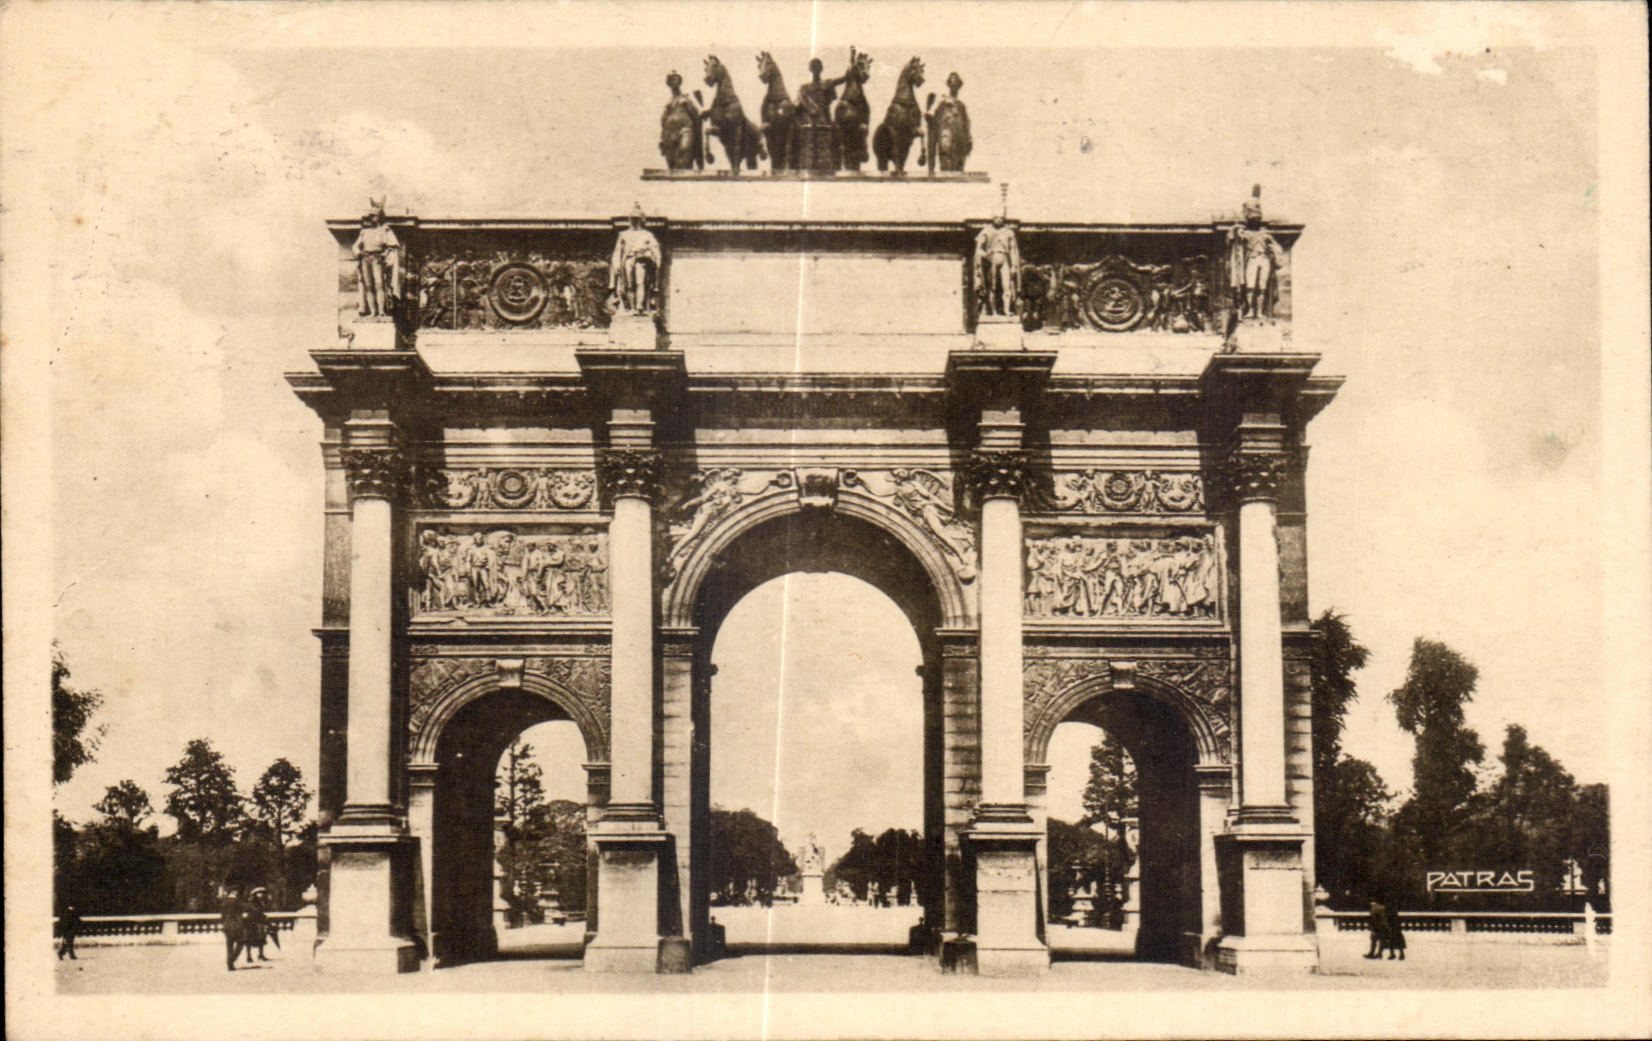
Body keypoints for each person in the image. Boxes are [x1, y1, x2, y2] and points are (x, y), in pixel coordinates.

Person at [609, 205, 663, 314]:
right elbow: (617, 251)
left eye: (637, 219)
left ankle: (639, 307)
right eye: (633, 219)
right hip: (628, 259)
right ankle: (632, 307)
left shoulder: (647, 235)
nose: (635, 221)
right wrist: (616, 264)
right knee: (629, 284)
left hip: (641, 261)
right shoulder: (624, 234)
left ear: (642, 220)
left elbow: (656, 250)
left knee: (640, 283)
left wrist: (656, 262)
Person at [220, 885, 247, 971]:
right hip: (236, 925)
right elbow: (241, 913)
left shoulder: (224, 902)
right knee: (241, 942)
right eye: (236, 892)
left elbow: (222, 916)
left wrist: (224, 924)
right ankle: (231, 960)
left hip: (227, 926)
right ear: (234, 892)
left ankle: (230, 964)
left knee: (229, 945)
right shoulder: (236, 902)